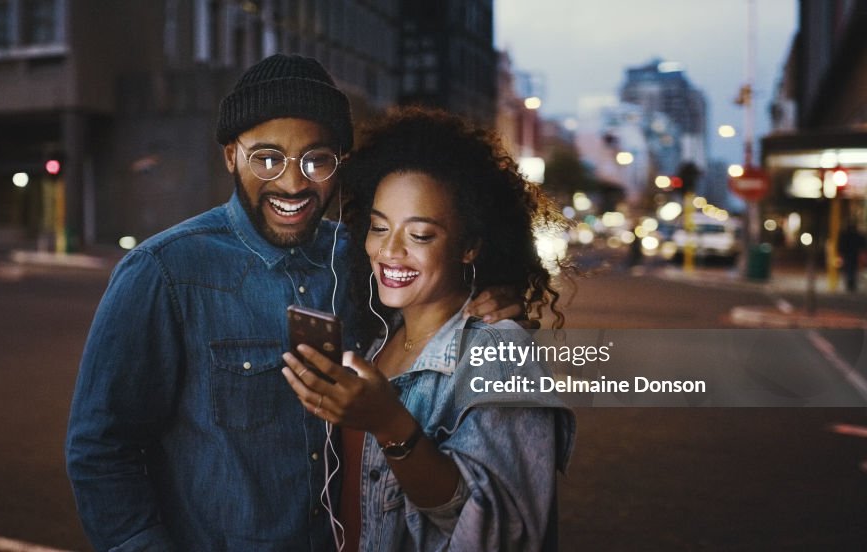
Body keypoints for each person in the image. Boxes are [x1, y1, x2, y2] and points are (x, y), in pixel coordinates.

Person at [65, 54, 525, 551]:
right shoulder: (164, 273)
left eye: (316, 159)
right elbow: (102, 448)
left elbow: (436, 332)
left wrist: (487, 295)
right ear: (230, 155)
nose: (292, 183)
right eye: (267, 158)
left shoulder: (363, 260)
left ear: (339, 162)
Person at [282, 107, 576, 552]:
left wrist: (389, 421)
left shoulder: (498, 348)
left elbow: (501, 532)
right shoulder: (380, 338)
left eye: (420, 235)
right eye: (379, 227)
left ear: (470, 246)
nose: (390, 251)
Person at [838, 221, 866, 292]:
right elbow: (862, 243)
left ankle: (850, 283)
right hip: (853, 254)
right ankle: (851, 283)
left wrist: (841, 253)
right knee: (852, 269)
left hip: (848, 254)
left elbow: (841, 245)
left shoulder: (845, 234)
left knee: (849, 269)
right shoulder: (857, 235)